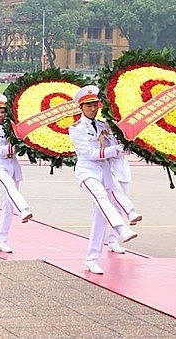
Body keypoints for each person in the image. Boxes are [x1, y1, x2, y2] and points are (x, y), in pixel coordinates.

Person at [68, 85, 138, 275]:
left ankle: (91, 259)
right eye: (88, 105)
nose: (93, 108)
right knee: (101, 197)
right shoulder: (75, 128)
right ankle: (122, 228)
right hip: (87, 172)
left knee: (100, 217)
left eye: (94, 104)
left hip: (105, 172)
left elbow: (115, 148)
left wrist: (124, 146)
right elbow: (88, 153)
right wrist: (113, 150)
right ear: (81, 107)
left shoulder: (103, 126)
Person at [0, 94, 33, 253]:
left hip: (13, 166)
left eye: (3, 111)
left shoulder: (12, 126)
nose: (0, 115)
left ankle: (1, 240)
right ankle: (24, 209)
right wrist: (15, 146)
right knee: (10, 187)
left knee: (7, 206)